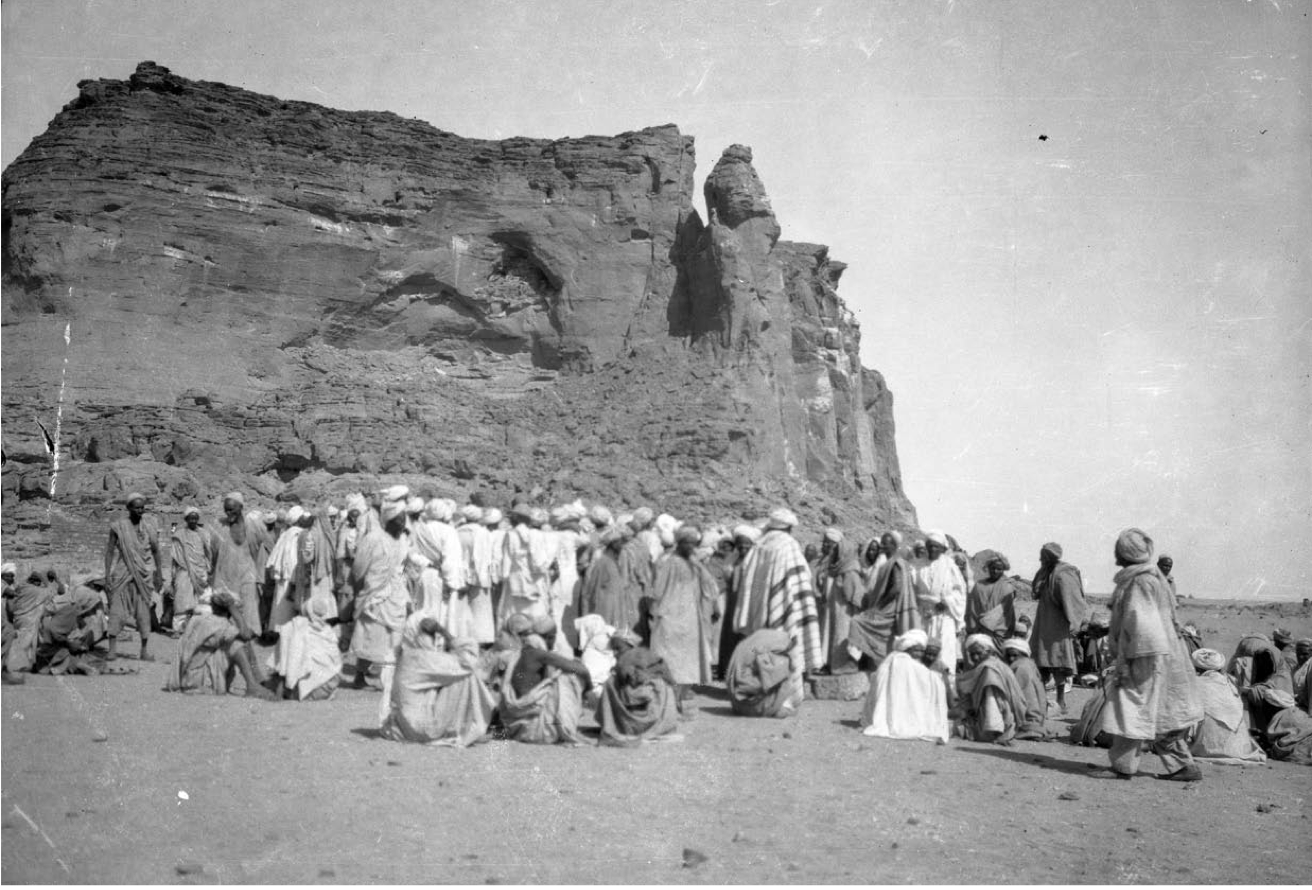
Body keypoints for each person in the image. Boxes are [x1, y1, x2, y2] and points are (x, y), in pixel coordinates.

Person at [1090, 528, 1203, 782]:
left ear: (1124, 553)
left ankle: (1122, 766)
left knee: (1132, 708)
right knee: (1162, 711)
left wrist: (1130, 662)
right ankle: (1182, 766)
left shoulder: (1140, 581)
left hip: (1145, 656)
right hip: (1161, 655)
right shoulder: (1147, 579)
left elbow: (1142, 625)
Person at [731, 508, 823, 696]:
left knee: (762, 651)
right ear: (789, 528)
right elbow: (801, 577)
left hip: (759, 613)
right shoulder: (788, 545)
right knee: (785, 650)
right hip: (784, 609)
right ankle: (784, 694)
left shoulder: (759, 545)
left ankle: (761, 690)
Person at [380, 612, 496, 746]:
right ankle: (477, 725)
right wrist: (444, 632)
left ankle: (476, 723)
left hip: (405, 724)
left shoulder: (409, 654)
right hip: (422, 728)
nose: (435, 639)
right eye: (431, 635)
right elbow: (468, 660)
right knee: (464, 675)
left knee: (458, 671)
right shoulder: (420, 658)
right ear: (418, 635)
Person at [349, 497, 411, 727]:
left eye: (404, 519)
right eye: (399, 519)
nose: (403, 523)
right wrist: (367, 587)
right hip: (375, 594)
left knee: (390, 637)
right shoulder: (374, 538)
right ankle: (359, 676)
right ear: (389, 520)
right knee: (370, 635)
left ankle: (383, 679)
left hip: (394, 593)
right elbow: (358, 567)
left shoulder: (399, 541)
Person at [647, 526, 718, 700]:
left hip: (691, 618)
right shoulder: (669, 563)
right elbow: (657, 591)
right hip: (671, 616)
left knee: (689, 658)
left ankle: (682, 693)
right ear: (680, 543)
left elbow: (710, 587)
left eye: (694, 544)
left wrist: (699, 566)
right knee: (669, 656)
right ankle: (668, 696)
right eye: (689, 543)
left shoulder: (693, 562)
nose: (692, 547)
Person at [164, 589, 276, 698]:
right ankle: (252, 685)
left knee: (235, 639)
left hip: (192, 673)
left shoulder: (202, 618)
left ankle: (254, 682)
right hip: (195, 679)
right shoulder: (215, 623)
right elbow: (246, 634)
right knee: (235, 643)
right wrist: (233, 608)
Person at [499, 616, 591, 744]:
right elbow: (581, 670)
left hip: (515, 726)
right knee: (568, 678)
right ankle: (565, 729)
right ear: (548, 637)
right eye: (554, 637)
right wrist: (588, 689)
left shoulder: (521, 652)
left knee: (558, 675)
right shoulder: (539, 654)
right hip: (536, 730)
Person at [858, 629, 949, 743]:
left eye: (922, 651)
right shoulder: (903, 660)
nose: (920, 654)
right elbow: (923, 677)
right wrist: (938, 679)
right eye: (917, 650)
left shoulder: (894, 657)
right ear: (908, 648)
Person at [103, 492, 164, 662]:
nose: (140, 511)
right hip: (123, 574)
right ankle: (112, 649)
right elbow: (109, 551)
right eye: (136, 508)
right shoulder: (118, 527)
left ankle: (144, 650)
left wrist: (159, 572)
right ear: (129, 508)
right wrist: (107, 574)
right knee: (116, 611)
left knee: (143, 614)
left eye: (142, 508)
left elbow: (156, 551)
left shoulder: (149, 528)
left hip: (143, 576)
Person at [847, 531, 921, 669]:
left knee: (856, 622)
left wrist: (878, 607)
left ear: (893, 545)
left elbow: (896, 588)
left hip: (889, 610)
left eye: (884, 544)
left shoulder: (896, 563)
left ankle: (853, 664)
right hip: (885, 607)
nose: (881, 546)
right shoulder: (888, 562)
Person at [595, 629, 682, 746]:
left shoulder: (628, 659)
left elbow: (629, 678)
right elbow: (668, 676)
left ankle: (614, 724)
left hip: (635, 711)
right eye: (613, 649)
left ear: (630, 645)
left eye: (618, 649)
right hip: (656, 711)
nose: (615, 653)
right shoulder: (651, 657)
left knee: (609, 684)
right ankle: (660, 727)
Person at [1030, 541, 1088, 714]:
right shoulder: (1044, 572)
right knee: (1041, 662)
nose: (1040, 559)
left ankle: (1061, 701)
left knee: (1058, 662)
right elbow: (1036, 592)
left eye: (1043, 556)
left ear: (1049, 557)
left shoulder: (1063, 574)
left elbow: (1072, 600)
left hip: (1057, 626)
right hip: (1043, 623)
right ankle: (1041, 702)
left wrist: (1074, 622)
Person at [209, 492, 272, 646]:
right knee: (224, 609)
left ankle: (246, 641)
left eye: (232, 509)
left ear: (241, 507)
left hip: (247, 574)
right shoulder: (219, 526)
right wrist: (211, 575)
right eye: (226, 510)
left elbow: (261, 549)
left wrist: (258, 574)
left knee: (249, 609)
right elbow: (213, 552)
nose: (228, 513)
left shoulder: (254, 527)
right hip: (225, 575)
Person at [1186, 648, 1266, 765]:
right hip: (1241, 750)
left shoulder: (1195, 684)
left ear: (1196, 668)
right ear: (1220, 668)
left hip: (1207, 750)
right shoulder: (1231, 684)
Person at [955, 634, 1031, 745]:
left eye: (979, 653)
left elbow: (992, 704)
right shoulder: (989, 665)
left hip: (995, 725)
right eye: (972, 654)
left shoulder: (989, 670)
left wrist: (994, 728)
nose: (975, 657)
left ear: (990, 651)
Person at [913, 531, 966, 681]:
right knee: (922, 649)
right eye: (929, 546)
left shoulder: (950, 566)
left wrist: (947, 602)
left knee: (944, 651)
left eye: (936, 547)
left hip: (943, 615)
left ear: (943, 548)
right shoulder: (918, 566)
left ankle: (946, 688)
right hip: (922, 614)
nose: (932, 550)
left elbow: (959, 592)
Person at [265, 597, 342, 701]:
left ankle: (285, 689)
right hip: (329, 686)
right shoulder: (328, 631)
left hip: (307, 691)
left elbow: (287, 659)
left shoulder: (295, 626)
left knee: (277, 682)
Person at [32, 576, 108, 675]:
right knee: (62, 654)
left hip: (54, 637)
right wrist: (70, 643)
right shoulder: (69, 610)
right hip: (52, 643)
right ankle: (77, 665)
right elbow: (55, 632)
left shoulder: (72, 604)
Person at [725, 627, 803, 718]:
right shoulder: (765, 649)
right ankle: (774, 707)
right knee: (786, 667)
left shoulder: (761, 639)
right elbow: (769, 677)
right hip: (750, 704)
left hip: (736, 703)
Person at [578, 526, 641, 634]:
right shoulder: (603, 563)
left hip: (616, 608)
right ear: (613, 544)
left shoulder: (613, 561)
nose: (622, 546)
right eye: (620, 543)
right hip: (606, 610)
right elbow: (593, 591)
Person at [819, 530, 864, 675]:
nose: (834, 552)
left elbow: (854, 594)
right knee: (831, 634)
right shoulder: (838, 568)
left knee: (841, 636)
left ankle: (840, 666)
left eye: (837, 550)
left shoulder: (850, 569)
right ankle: (830, 664)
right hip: (834, 608)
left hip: (845, 611)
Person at [718, 525, 760, 677]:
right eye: (740, 543)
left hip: (750, 605)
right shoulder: (732, 559)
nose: (743, 546)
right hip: (733, 603)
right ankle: (727, 670)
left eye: (746, 543)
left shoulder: (757, 560)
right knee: (731, 635)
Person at [499, 503, 551, 624]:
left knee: (513, 615)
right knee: (534, 614)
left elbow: (507, 559)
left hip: (515, 579)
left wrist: (504, 577)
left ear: (517, 518)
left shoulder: (510, 534)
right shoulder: (536, 535)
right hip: (534, 580)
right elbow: (540, 560)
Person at [457, 505, 496, 646]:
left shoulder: (457, 531)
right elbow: (483, 558)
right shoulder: (482, 532)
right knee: (481, 611)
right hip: (480, 578)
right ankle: (482, 642)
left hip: (461, 577)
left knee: (464, 611)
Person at [168, 507, 211, 634]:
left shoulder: (204, 534)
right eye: (190, 518)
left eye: (195, 518)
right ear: (186, 519)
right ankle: (178, 629)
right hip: (184, 570)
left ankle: (198, 628)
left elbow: (208, 553)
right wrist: (173, 575)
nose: (193, 521)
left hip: (200, 570)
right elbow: (175, 558)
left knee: (202, 600)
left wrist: (208, 569)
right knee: (181, 600)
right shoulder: (179, 535)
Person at [3, 570, 54, 673]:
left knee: (27, 642)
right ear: (38, 582)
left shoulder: (22, 586)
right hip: (28, 620)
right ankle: (14, 666)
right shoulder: (37, 591)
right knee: (24, 643)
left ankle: (27, 665)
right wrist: (46, 581)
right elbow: (51, 592)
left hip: (18, 619)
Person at [1001, 636, 1050, 740]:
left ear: (1023, 654)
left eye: (1015, 655)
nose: (1011, 659)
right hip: (1037, 721)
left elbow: (1014, 700)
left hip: (1027, 722)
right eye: (1008, 656)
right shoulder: (1029, 664)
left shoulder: (1020, 668)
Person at [965, 554, 1016, 647]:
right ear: (988, 568)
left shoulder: (1007, 588)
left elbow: (1007, 615)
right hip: (978, 631)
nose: (995, 571)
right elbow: (971, 609)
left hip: (998, 634)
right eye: (993, 568)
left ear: (1003, 570)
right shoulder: (978, 586)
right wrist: (972, 629)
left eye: (999, 569)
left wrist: (998, 631)